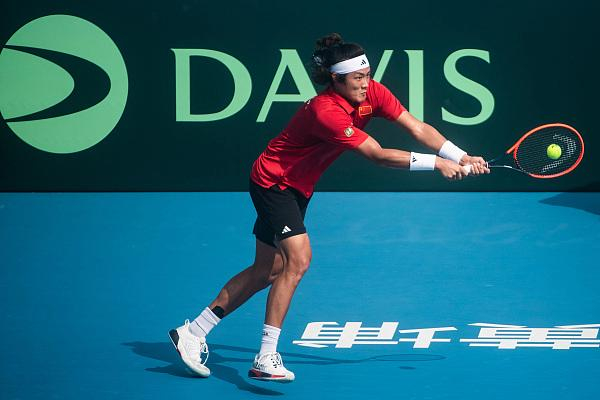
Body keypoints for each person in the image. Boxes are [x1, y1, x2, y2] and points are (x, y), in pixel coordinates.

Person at [169, 33, 490, 382]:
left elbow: (417, 127)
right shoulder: (326, 112)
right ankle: (265, 357)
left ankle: (193, 332)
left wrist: (460, 156)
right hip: (274, 183)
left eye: (367, 75)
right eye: (357, 78)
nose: (365, 84)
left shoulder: (372, 92)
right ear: (336, 79)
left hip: (297, 187)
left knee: (267, 270)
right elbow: (378, 155)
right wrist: (437, 164)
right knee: (298, 261)